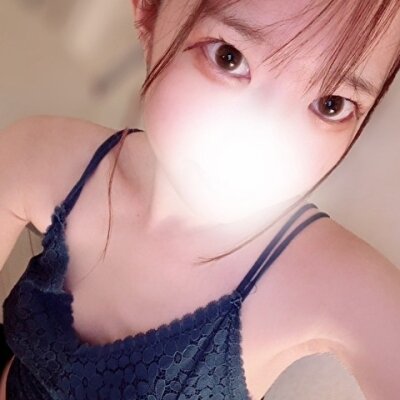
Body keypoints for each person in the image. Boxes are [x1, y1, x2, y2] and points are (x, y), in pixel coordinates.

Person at [1, 0, 399, 399]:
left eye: (332, 104)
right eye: (229, 57)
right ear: (149, 11)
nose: (258, 145)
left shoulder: (332, 280)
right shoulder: (47, 158)